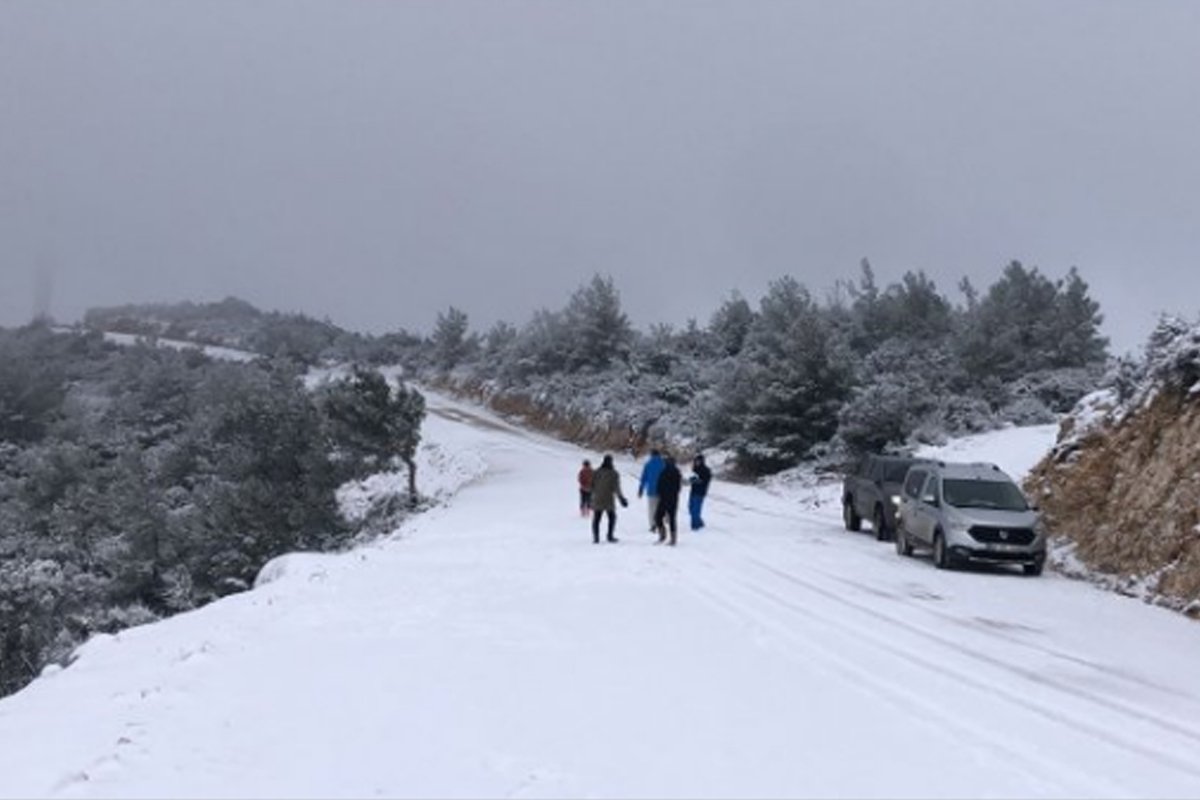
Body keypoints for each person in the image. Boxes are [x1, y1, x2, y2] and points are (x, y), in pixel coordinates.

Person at [589, 454, 628, 544]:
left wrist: (590, 498)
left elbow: (591, 486)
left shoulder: (596, 472)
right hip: (608, 499)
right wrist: (621, 499)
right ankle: (610, 536)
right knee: (612, 517)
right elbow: (617, 488)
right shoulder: (614, 473)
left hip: (597, 498)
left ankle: (596, 537)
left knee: (597, 518)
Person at [654, 454, 683, 546]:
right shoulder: (677, 472)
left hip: (663, 499)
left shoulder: (663, 472)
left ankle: (663, 534)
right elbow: (678, 487)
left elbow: (659, 486)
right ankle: (673, 538)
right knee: (672, 518)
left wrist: (659, 494)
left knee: (658, 516)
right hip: (673, 498)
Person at [638, 448, 666, 533]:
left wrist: (641, 489)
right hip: (662, 490)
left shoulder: (648, 464)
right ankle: (660, 523)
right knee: (660, 508)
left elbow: (643, 478)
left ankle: (653, 525)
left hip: (651, 491)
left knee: (652, 509)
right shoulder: (663, 464)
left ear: (651, 455)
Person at [688, 454, 712, 531]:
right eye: (696, 461)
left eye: (698, 461)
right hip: (693, 490)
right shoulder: (695, 469)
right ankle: (699, 522)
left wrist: (695, 480)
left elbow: (705, 481)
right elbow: (692, 478)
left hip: (700, 492)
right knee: (690, 507)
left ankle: (695, 525)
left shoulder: (706, 470)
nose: (697, 462)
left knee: (696, 508)